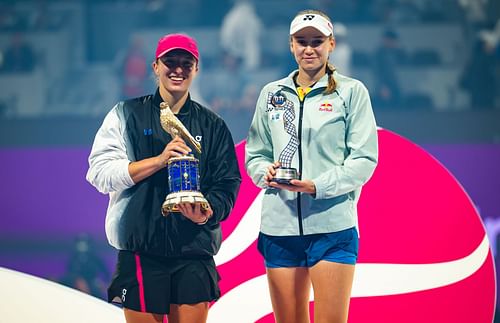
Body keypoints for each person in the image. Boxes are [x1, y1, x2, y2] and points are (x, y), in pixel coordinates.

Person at [86, 33, 241, 323]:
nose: (178, 69)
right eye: (170, 61)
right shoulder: (126, 114)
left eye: (186, 62)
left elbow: (227, 182)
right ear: (155, 66)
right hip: (140, 251)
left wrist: (207, 212)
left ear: (196, 69)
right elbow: (99, 173)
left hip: (194, 250)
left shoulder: (213, 125)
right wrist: (158, 161)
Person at [245, 10, 378, 323]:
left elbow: (364, 159)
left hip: (332, 227)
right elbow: (255, 153)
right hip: (279, 227)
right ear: (291, 45)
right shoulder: (271, 94)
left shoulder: (351, 92)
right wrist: (263, 172)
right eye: (302, 41)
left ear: (331, 44)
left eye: (317, 41)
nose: (309, 48)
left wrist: (319, 186)